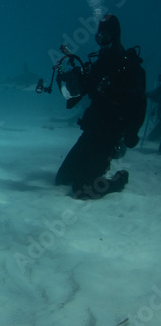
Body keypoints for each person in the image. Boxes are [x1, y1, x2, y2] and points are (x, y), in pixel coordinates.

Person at [54, 14, 146, 199]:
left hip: (111, 137)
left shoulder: (131, 67)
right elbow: (72, 102)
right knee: (62, 179)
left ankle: (119, 180)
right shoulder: (96, 66)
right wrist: (70, 83)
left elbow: (140, 101)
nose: (101, 42)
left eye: (105, 37)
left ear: (116, 36)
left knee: (82, 189)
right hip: (91, 132)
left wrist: (132, 132)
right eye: (99, 37)